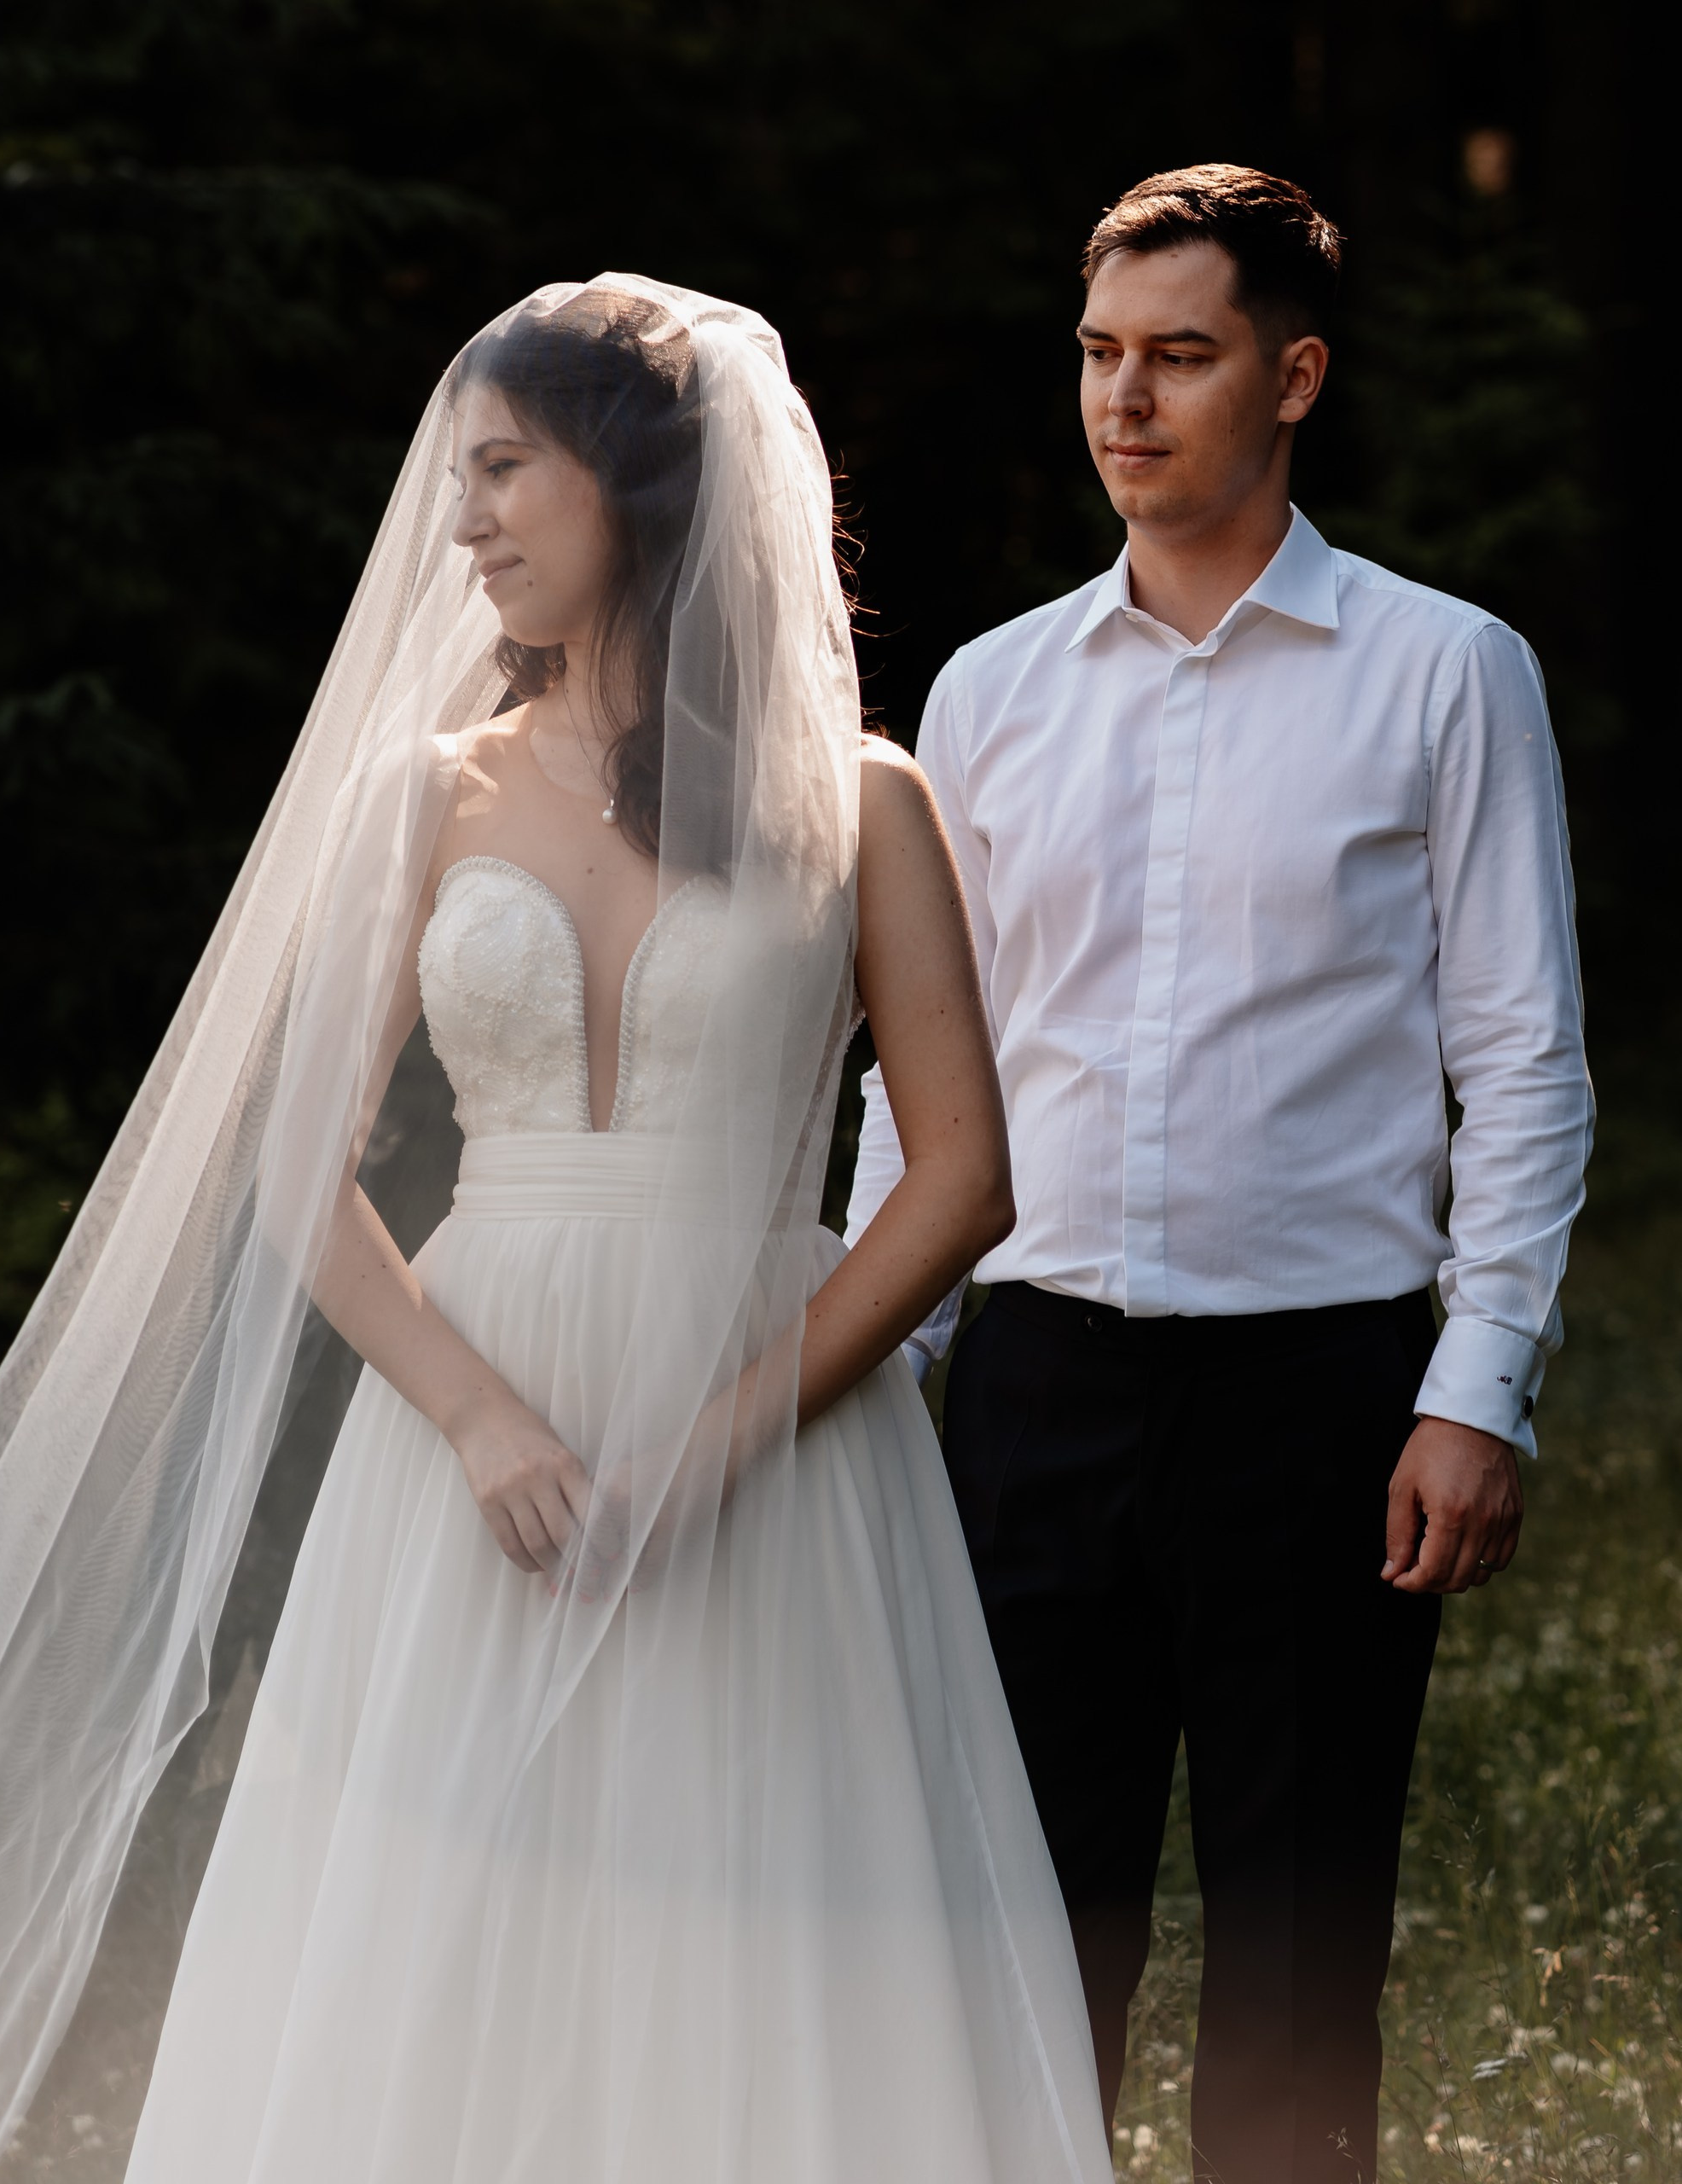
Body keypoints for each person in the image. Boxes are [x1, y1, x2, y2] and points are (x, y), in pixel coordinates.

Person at [0, 281, 1114, 2183]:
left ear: (635, 482)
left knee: (759, 1896)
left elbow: (965, 1174)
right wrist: (478, 1413)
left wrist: (733, 1429)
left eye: (502, 470)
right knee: (449, 1920)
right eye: (459, 475)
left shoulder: (860, 799)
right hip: (478, 1436)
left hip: (777, 1435)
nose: (462, 519)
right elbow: (293, 1170)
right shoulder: (428, 796)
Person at [846, 166, 1592, 2183]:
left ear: (1295, 376)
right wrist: (867, 1369)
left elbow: (1521, 1055)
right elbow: (921, 1079)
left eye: (1180, 353)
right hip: (1030, 1394)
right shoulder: (986, 694)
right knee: (1015, 1949)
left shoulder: (1448, 671)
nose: (1126, 397)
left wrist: (1475, 1383)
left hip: (1325, 1398)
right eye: (1099, 352)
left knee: (1292, 1966)